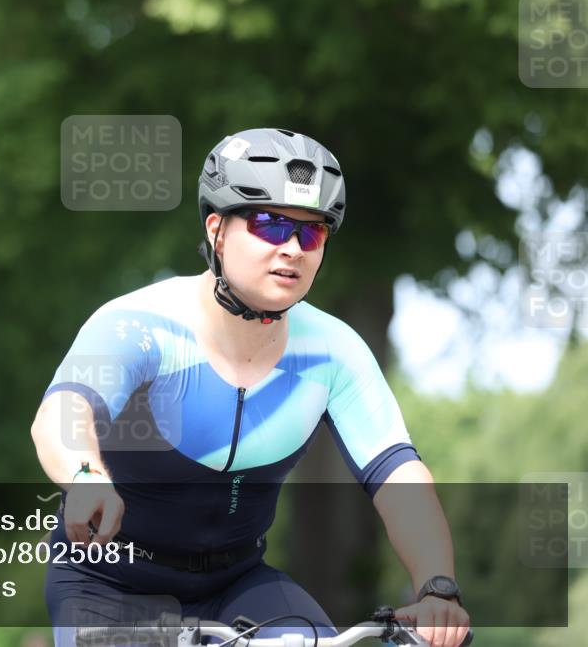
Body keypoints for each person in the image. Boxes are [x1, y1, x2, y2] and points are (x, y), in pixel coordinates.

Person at [30, 128, 471, 647]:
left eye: (312, 234)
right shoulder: (140, 324)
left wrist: (438, 588)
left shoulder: (334, 350)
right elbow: (63, 410)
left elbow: (397, 473)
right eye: (270, 224)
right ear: (216, 229)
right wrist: (84, 475)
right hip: (109, 584)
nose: (292, 249)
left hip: (238, 584)